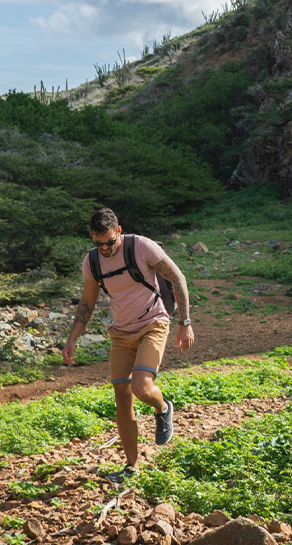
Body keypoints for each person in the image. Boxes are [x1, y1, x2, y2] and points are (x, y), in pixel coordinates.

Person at [62, 207, 194, 484]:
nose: (106, 249)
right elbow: (87, 303)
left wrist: (184, 321)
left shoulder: (140, 247)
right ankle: (131, 466)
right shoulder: (93, 261)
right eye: (99, 244)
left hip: (153, 323)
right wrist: (73, 338)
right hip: (120, 332)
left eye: (110, 242)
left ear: (119, 231)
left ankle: (163, 409)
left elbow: (176, 277)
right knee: (122, 397)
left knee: (141, 386)